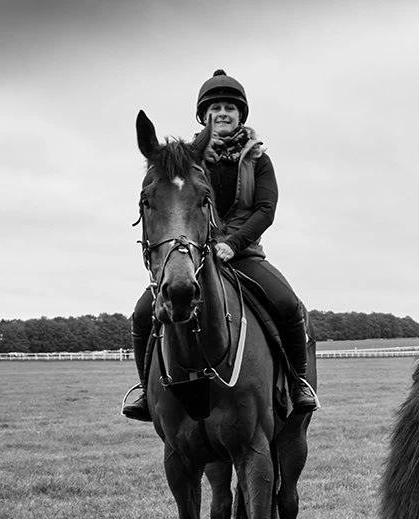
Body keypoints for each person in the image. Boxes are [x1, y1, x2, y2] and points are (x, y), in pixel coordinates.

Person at [123, 69, 318, 420]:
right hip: (195, 256)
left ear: (240, 114)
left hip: (243, 254)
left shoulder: (258, 159)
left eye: (230, 107)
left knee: (288, 305)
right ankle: (144, 391)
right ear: (204, 116)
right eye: (215, 108)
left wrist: (233, 243)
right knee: (140, 313)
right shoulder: (186, 160)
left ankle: (297, 383)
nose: (223, 113)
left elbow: (265, 209)